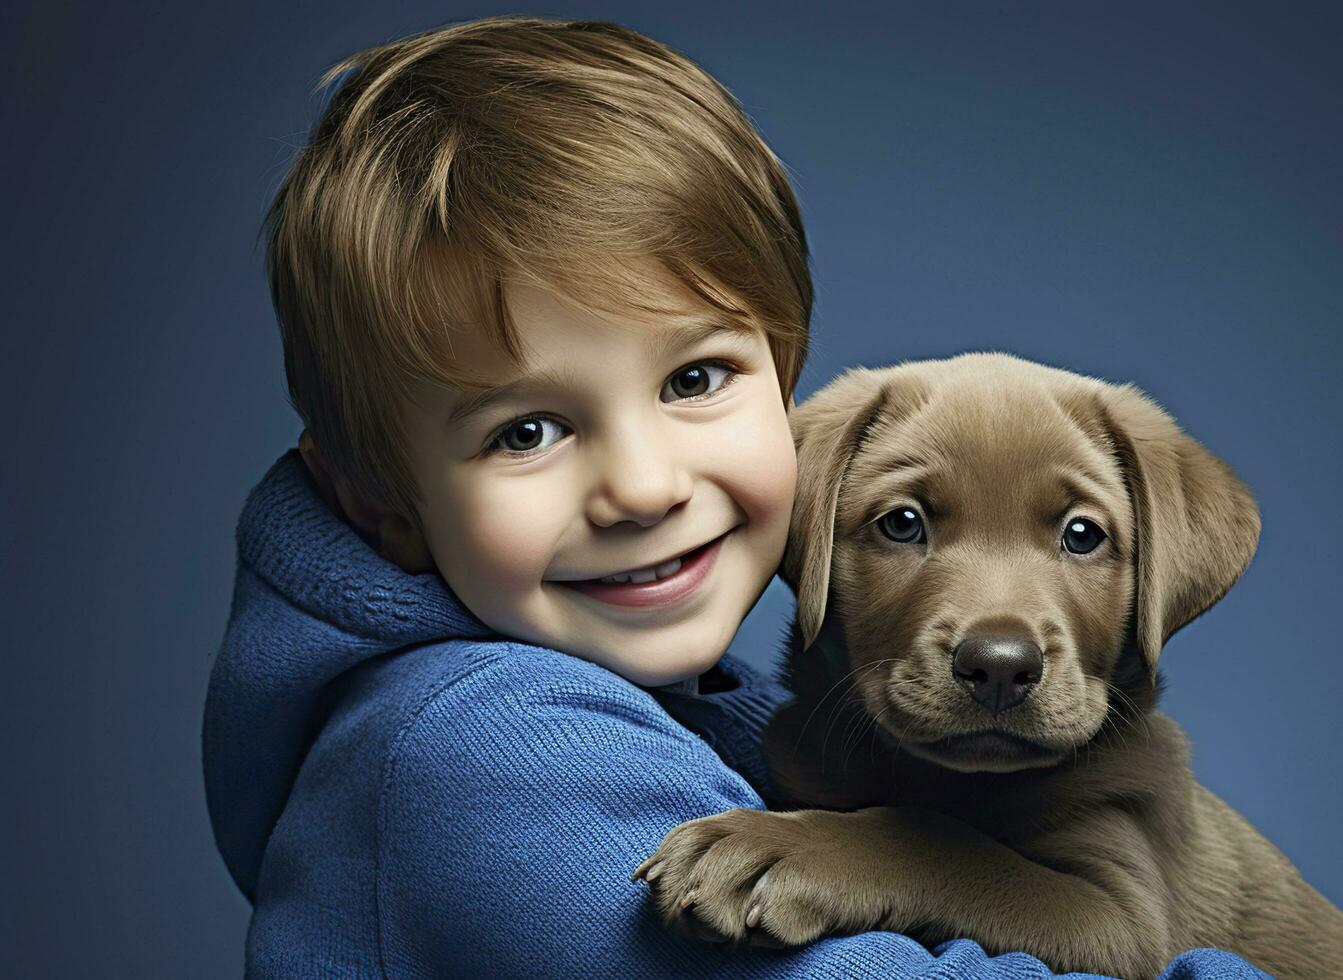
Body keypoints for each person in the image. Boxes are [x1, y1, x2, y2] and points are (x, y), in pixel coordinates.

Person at [201, 15, 1270, 978]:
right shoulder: (490, 756)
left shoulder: (716, 720)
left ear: (783, 374)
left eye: (694, 378)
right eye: (526, 430)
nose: (645, 484)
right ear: (379, 497)